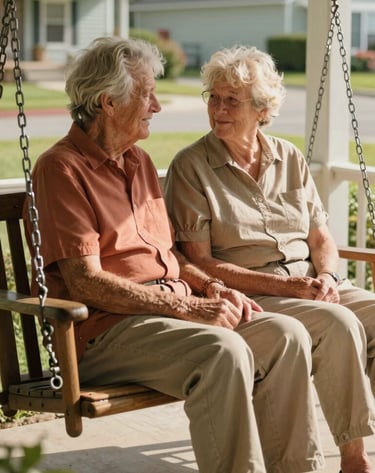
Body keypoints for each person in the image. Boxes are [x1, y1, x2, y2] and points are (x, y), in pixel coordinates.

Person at [23, 36, 325, 473]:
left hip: (163, 316)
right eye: (147, 94)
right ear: (108, 102)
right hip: (106, 330)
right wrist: (187, 307)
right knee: (223, 351)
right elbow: (86, 281)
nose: (157, 106)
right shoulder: (62, 169)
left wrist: (214, 289)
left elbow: (169, 256)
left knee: (286, 336)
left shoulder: (139, 163)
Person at [164, 44, 375, 473]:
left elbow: (321, 235)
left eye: (231, 101)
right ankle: (353, 461)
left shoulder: (290, 157)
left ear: (262, 110)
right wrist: (290, 287)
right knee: (338, 324)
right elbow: (199, 262)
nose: (218, 109)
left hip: (315, 282)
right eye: (214, 99)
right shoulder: (191, 167)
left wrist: (330, 276)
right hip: (255, 291)